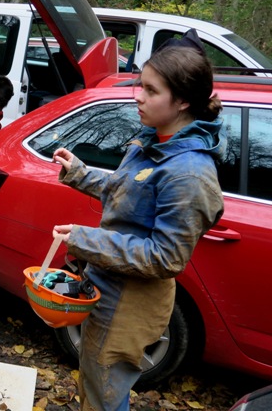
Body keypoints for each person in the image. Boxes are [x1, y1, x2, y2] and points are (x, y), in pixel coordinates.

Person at [51, 35, 225, 411]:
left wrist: (86, 240)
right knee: (95, 382)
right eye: (139, 85)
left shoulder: (189, 173)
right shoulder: (154, 140)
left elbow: (166, 258)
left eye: (150, 90)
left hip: (130, 303)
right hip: (107, 284)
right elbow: (125, 191)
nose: (137, 96)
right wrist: (79, 173)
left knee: (106, 396)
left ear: (182, 101)